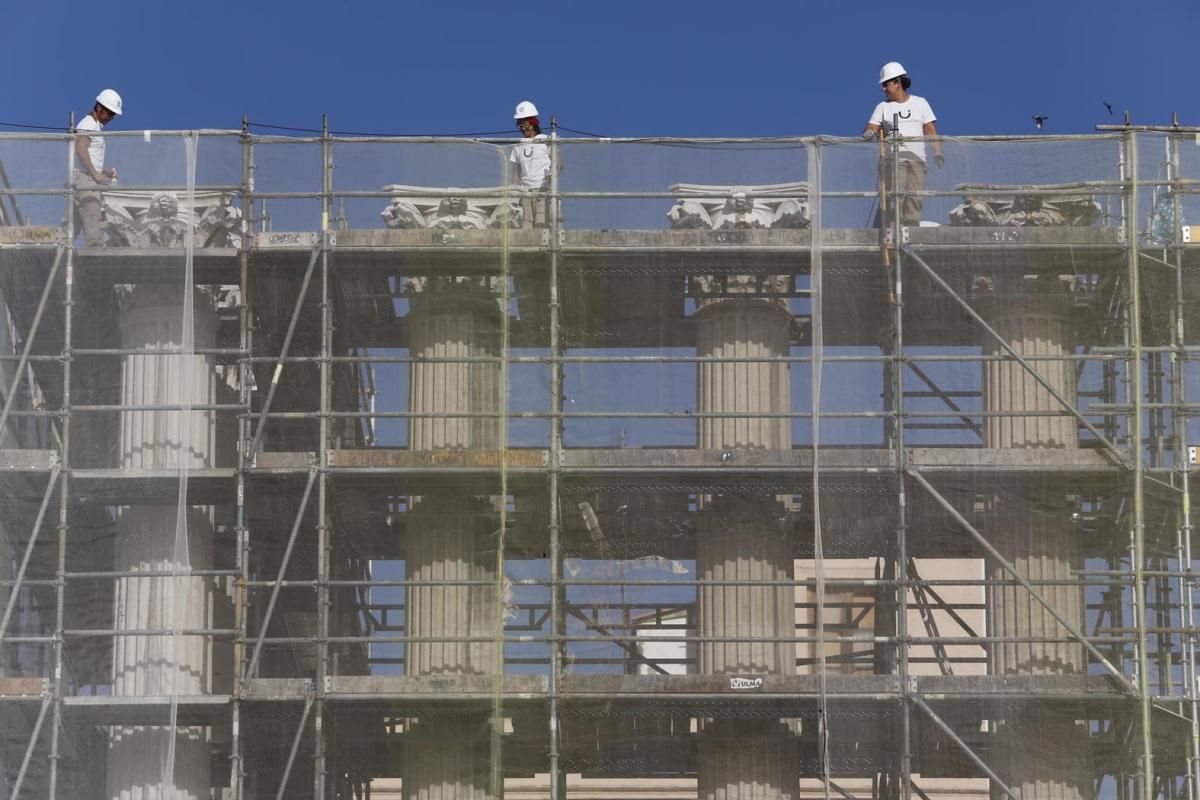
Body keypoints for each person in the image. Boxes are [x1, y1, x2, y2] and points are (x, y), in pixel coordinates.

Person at [863, 63, 941, 227]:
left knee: (914, 197)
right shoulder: (883, 107)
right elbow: (872, 127)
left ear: (898, 82)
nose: (884, 88)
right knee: (896, 196)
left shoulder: (920, 103)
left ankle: (911, 230)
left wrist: (938, 153)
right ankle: (893, 229)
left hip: (917, 159)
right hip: (894, 160)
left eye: (886, 84)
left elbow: (930, 129)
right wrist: (870, 132)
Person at [73, 89, 123, 246]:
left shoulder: (93, 125)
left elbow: (87, 154)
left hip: (82, 178)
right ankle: (94, 264)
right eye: (110, 113)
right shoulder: (88, 123)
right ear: (99, 107)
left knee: (71, 229)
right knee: (93, 226)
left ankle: (58, 260)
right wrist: (96, 175)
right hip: (86, 181)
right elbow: (80, 149)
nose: (111, 118)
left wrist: (103, 170)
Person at [510, 100, 554, 227]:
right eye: (520, 126)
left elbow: (559, 164)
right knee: (526, 226)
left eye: (526, 125)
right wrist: (513, 193)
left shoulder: (547, 141)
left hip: (542, 190)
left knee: (541, 224)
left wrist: (551, 179)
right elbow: (516, 174)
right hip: (525, 192)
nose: (523, 129)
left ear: (533, 123)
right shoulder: (518, 145)